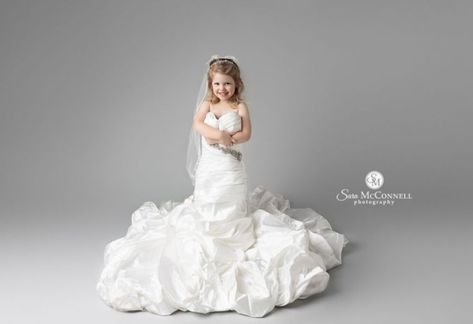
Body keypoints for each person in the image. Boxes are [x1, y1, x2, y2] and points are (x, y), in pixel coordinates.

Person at [96, 54, 349, 318]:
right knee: (208, 199)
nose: (222, 89)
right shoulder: (208, 104)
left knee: (230, 202)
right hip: (210, 167)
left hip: (231, 166)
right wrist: (217, 135)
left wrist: (230, 139)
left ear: (236, 84)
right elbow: (196, 124)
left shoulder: (240, 107)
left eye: (227, 84)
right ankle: (209, 235)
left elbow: (247, 134)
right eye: (217, 84)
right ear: (211, 85)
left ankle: (234, 238)